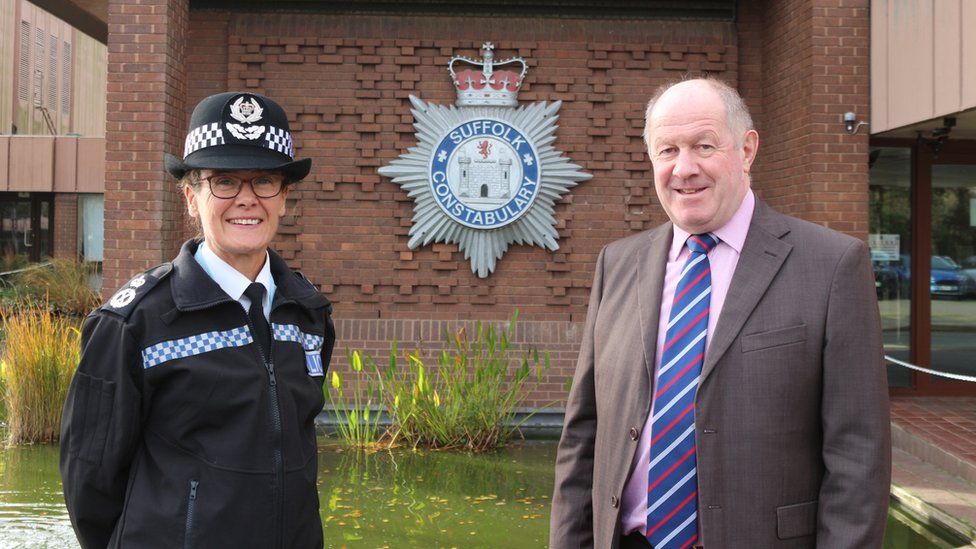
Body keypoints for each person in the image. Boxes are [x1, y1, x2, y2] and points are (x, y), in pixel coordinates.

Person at [550, 77, 890, 549]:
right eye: (667, 150)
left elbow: (858, 455)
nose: (684, 168)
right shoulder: (618, 263)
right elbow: (583, 435)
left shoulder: (831, 266)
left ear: (747, 150)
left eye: (703, 146)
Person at [60, 92, 335, 548]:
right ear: (191, 197)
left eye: (264, 181)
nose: (247, 200)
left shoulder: (307, 313)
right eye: (224, 181)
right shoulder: (134, 322)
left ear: (284, 198)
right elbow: (90, 477)